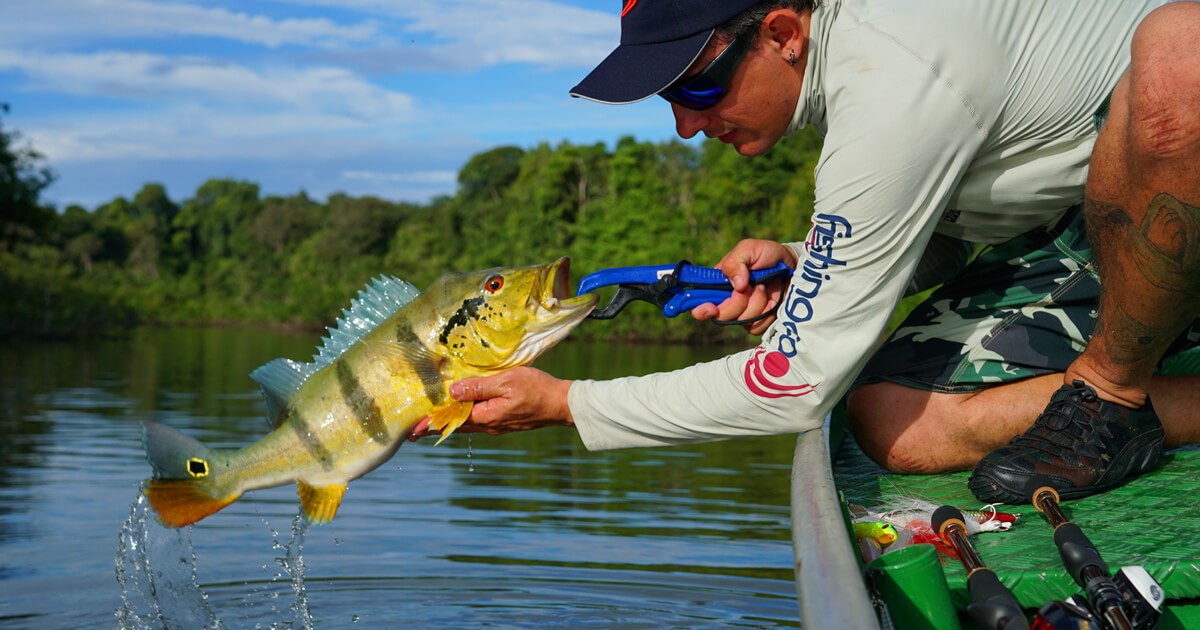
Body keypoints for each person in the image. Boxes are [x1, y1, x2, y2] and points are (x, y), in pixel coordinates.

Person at [411, 0, 1200, 504]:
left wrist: (567, 404)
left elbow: (791, 387)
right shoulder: (856, 66)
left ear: (782, 32)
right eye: (668, 101)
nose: (687, 126)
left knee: (1181, 48)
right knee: (891, 422)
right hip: (1095, 214)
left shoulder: (888, 84)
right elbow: (965, 227)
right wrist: (810, 262)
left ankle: (1111, 395)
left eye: (696, 88)